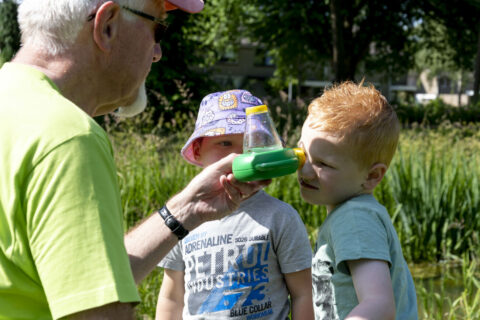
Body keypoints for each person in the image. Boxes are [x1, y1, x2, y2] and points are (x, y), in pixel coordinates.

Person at [0, 1, 269, 319]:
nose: (157, 52)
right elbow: (98, 312)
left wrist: (188, 208)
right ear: (107, 26)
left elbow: (83, 275)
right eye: (158, 28)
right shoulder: (67, 137)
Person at [155, 89, 314, 320]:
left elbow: (303, 293)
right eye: (225, 142)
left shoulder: (280, 217)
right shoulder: (183, 219)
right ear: (198, 151)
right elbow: (171, 297)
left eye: (250, 144)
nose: (237, 155)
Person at [297, 81, 418, 319]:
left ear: (372, 176)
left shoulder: (354, 218)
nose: (306, 171)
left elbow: (379, 305)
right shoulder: (351, 213)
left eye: (324, 164)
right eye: (302, 153)